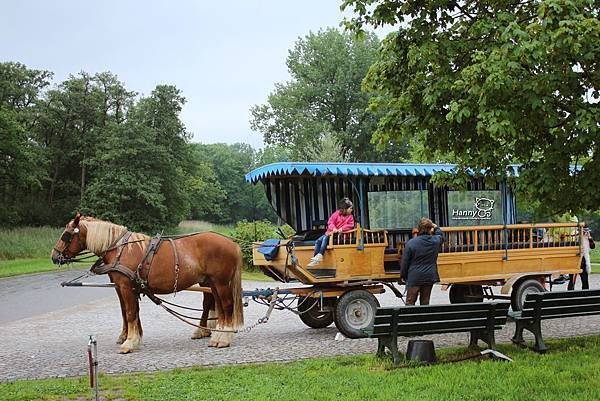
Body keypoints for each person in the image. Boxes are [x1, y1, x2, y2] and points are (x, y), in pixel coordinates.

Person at [400, 218, 444, 305]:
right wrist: (436, 227)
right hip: (429, 276)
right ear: (430, 228)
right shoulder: (435, 241)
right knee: (425, 301)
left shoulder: (411, 243)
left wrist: (403, 275)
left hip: (415, 276)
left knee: (410, 302)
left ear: (419, 229)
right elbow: (441, 236)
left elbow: (405, 261)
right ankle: (424, 318)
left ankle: (411, 318)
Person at [307, 198, 355, 267]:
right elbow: (330, 222)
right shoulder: (336, 214)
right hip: (332, 232)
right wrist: (334, 228)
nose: (351, 210)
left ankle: (320, 254)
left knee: (325, 238)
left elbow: (350, 225)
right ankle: (315, 258)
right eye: (350, 208)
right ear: (345, 208)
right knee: (318, 241)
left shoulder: (350, 217)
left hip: (340, 235)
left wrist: (342, 229)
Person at [568, 225, 595, 290]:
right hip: (575, 258)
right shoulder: (575, 236)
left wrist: (590, 238)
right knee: (572, 278)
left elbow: (592, 246)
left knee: (585, 279)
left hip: (584, 259)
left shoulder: (588, 238)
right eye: (584, 231)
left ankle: (585, 292)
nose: (585, 232)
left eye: (586, 231)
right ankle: (570, 292)